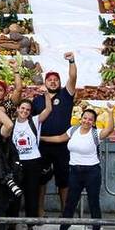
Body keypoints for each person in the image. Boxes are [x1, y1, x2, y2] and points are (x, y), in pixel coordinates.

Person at [44, 104, 115, 230]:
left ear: (94, 122)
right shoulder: (73, 130)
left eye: (90, 120)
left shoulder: (96, 133)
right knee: (70, 202)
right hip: (75, 171)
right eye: (85, 118)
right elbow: (59, 138)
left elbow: (110, 129)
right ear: (80, 119)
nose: (86, 121)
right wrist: (41, 138)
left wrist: (111, 114)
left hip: (92, 172)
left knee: (93, 202)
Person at [32, 52, 78, 218]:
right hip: (41, 146)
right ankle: (39, 211)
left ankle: (65, 213)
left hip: (62, 145)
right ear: (44, 82)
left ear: (59, 82)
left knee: (63, 180)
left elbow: (73, 77)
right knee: (41, 180)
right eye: (49, 79)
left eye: (55, 79)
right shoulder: (37, 100)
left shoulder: (66, 95)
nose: (52, 81)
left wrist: (71, 61)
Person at [12, 90, 52, 230]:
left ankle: (30, 227)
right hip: (17, 162)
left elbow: (48, 110)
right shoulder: (12, 123)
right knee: (14, 194)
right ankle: (12, 226)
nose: (24, 111)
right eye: (22, 108)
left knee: (31, 195)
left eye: (27, 110)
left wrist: (47, 96)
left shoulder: (34, 121)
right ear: (17, 109)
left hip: (33, 161)